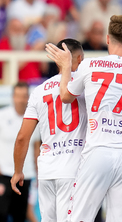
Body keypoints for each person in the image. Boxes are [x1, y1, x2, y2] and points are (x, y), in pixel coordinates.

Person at [45, 15, 122, 222]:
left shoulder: (89, 66)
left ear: (108, 39)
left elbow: (66, 96)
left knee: (78, 218)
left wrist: (66, 67)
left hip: (97, 152)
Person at [10, 39, 87, 222]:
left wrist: (17, 171)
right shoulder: (86, 84)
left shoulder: (38, 91)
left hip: (46, 172)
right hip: (74, 169)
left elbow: (22, 137)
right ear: (80, 58)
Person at [0, 82, 40, 222]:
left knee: (21, 216)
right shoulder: (2, 116)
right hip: (4, 174)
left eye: (24, 96)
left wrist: (38, 172)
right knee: (2, 214)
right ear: (13, 97)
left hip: (26, 176)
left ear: (28, 98)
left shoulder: (34, 119)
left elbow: (36, 148)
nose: (21, 100)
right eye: (18, 96)